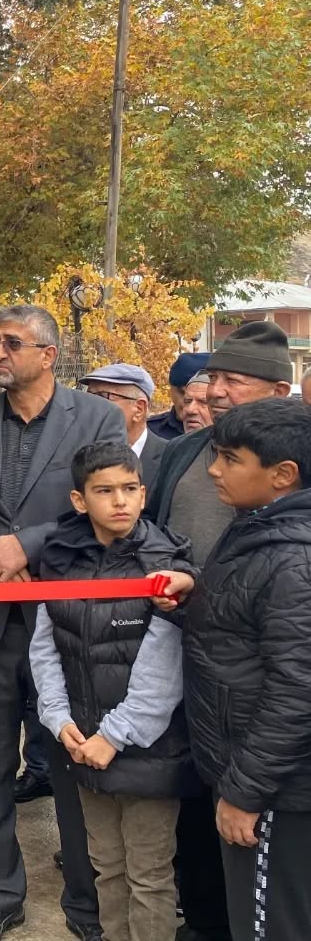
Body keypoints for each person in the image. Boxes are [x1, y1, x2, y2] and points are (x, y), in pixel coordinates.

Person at [0, 304, 124, 941]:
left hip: (65, 619)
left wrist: (28, 545)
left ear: (46, 354)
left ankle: (86, 898)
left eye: (9, 343)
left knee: (70, 763)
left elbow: (110, 504)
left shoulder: (96, 417)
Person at [145, 322, 293, 941]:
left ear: (280, 393)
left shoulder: (295, 479)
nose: (217, 391)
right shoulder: (185, 450)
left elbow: (294, 667)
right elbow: (149, 530)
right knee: (190, 801)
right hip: (183, 656)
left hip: (258, 688)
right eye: (214, 378)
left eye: (234, 380)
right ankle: (202, 916)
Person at [30, 441, 198, 941]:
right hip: (81, 744)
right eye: (105, 491)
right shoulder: (60, 558)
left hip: (147, 750)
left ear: (144, 493)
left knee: (149, 874)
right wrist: (61, 722)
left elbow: (162, 671)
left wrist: (115, 736)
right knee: (106, 866)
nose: (119, 501)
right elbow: (45, 646)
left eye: (129, 489)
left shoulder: (164, 563)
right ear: (80, 500)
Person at [178, 399, 311, 940]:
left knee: (270, 925)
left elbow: (296, 691)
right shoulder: (259, 526)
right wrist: (198, 596)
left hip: (274, 791)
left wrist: (244, 794)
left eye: (230, 458)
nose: (213, 469)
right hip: (250, 776)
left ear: (282, 475)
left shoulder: (294, 560)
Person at [78, 364, 167, 494]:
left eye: (103, 397)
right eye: (89, 397)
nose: (91, 406)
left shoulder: (170, 458)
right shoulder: (78, 456)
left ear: (139, 409)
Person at [147, 353, 209, 441]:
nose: (189, 408)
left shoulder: (229, 434)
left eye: (202, 401)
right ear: (171, 391)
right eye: (182, 393)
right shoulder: (149, 431)